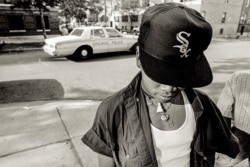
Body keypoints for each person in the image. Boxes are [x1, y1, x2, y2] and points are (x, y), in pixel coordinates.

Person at [82, 3, 239, 167]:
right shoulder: (112, 111)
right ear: (138, 58)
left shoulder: (203, 105)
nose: (170, 88)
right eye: (161, 75)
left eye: (182, 77)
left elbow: (226, 148)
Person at [217, 70, 250, 167]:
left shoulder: (237, 78)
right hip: (241, 134)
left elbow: (224, 112)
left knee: (224, 164)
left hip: (240, 135)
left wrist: (226, 141)